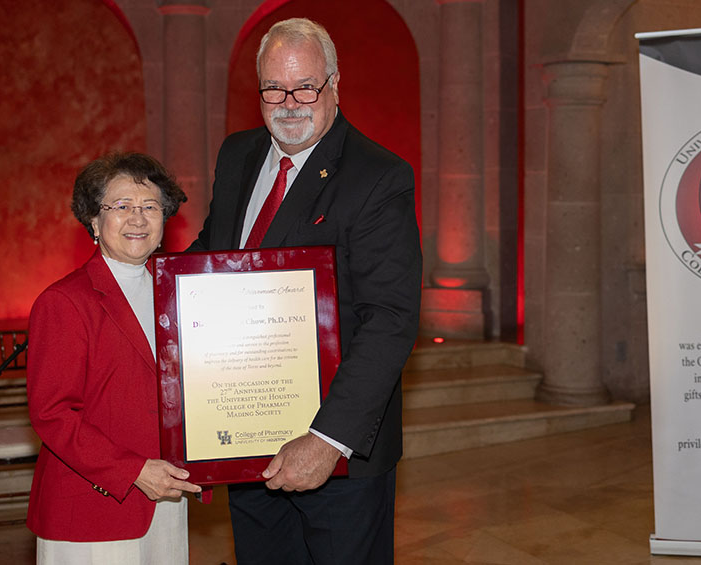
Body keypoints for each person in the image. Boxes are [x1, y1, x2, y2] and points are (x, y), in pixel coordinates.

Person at [189, 17, 422, 565]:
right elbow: (210, 257)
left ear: (334, 84)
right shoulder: (237, 154)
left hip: (337, 459)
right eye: (274, 87)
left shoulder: (379, 176)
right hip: (246, 440)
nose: (289, 102)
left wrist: (326, 439)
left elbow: (390, 318)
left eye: (305, 87)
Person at [26, 152, 200, 564]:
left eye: (150, 207)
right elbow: (53, 414)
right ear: (93, 220)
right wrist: (136, 471)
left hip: (165, 498)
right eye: (121, 206)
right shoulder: (64, 302)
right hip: (95, 507)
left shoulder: (178, 293)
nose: (137, 219)